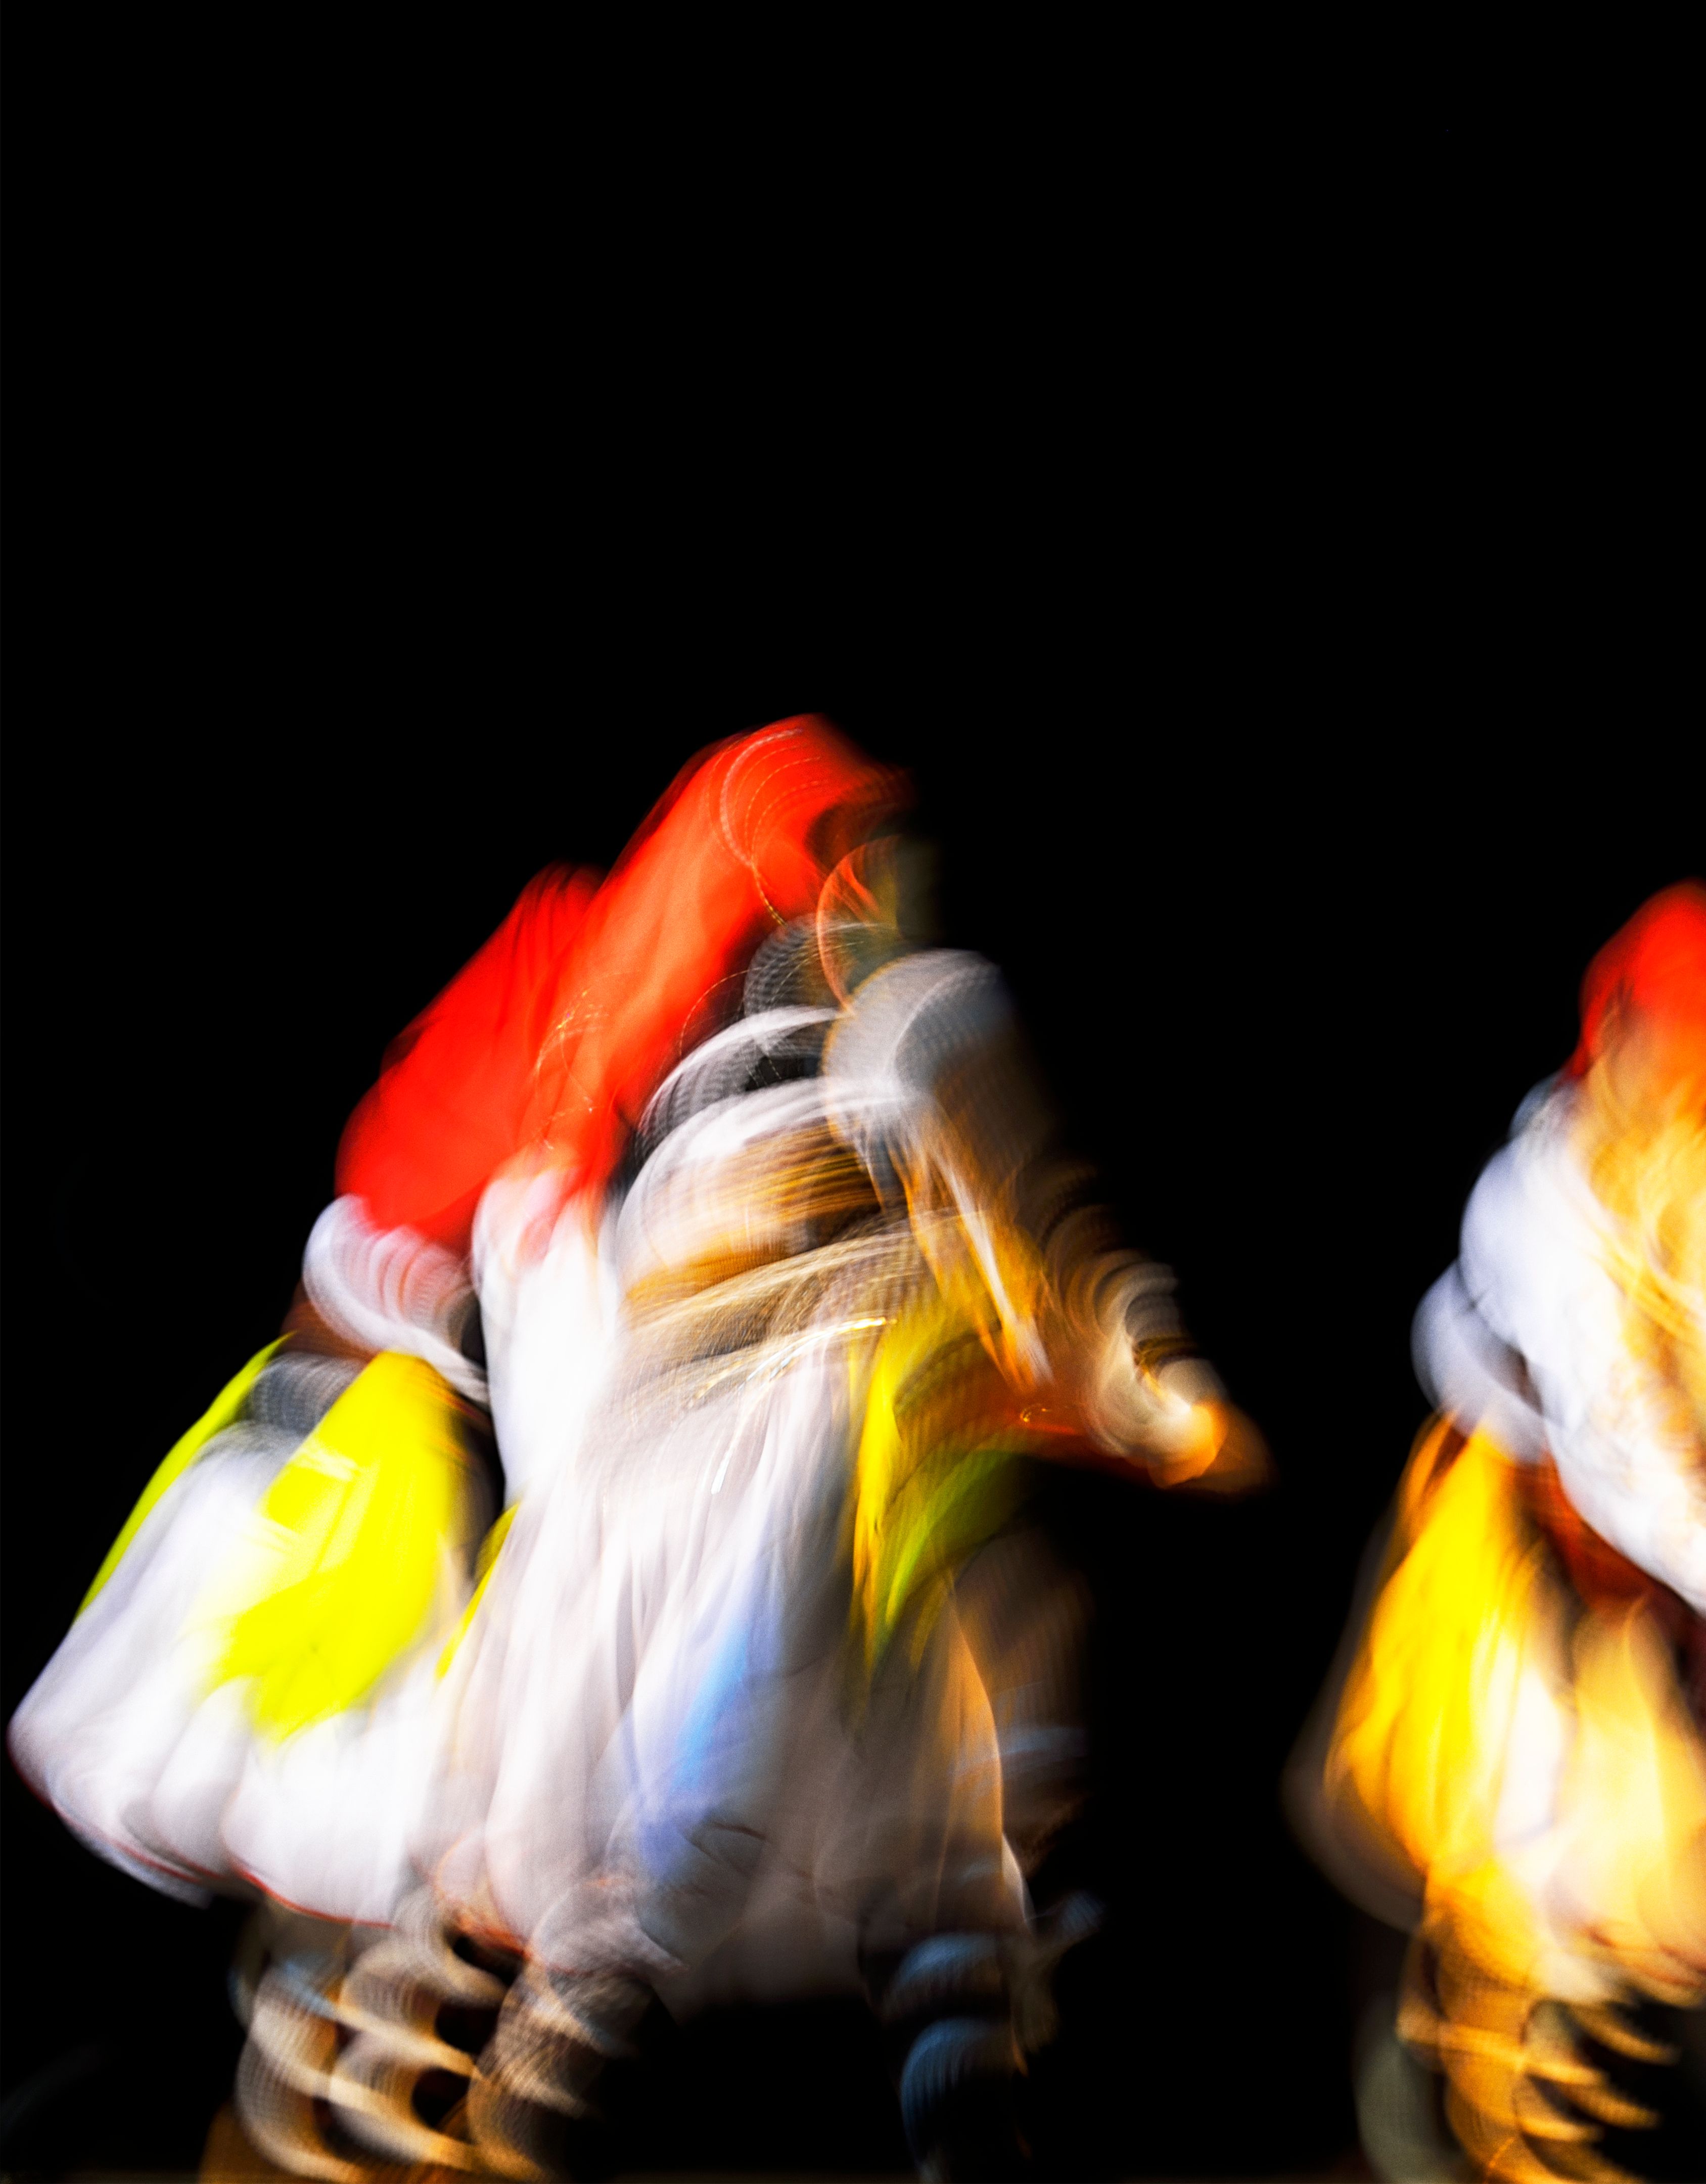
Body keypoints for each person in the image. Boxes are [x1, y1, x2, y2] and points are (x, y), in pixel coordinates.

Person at [12, 717, 1257, 2181]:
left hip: (670, 1511)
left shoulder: (654, 1103)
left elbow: (584, 1354)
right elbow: (1014, 1207)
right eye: (861, 863)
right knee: (742, 1842)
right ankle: (512, 2054)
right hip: (692, 1502)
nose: (881, 892)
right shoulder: (827, 1028)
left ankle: (880, 2035)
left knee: (891, 1817)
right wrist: (1132, 1362)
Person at [1298, 883, 1706, 2184]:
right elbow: (1617, 1423)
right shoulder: (1548, 1193)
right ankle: (1435, 2133)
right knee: (1490, 1859)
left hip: (1639, 1574)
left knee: (1654, 1875)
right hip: (1510, 1553)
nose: (1698, 1077)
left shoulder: (1705, 1182)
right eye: (1677, 1036)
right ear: (1618, 1034)